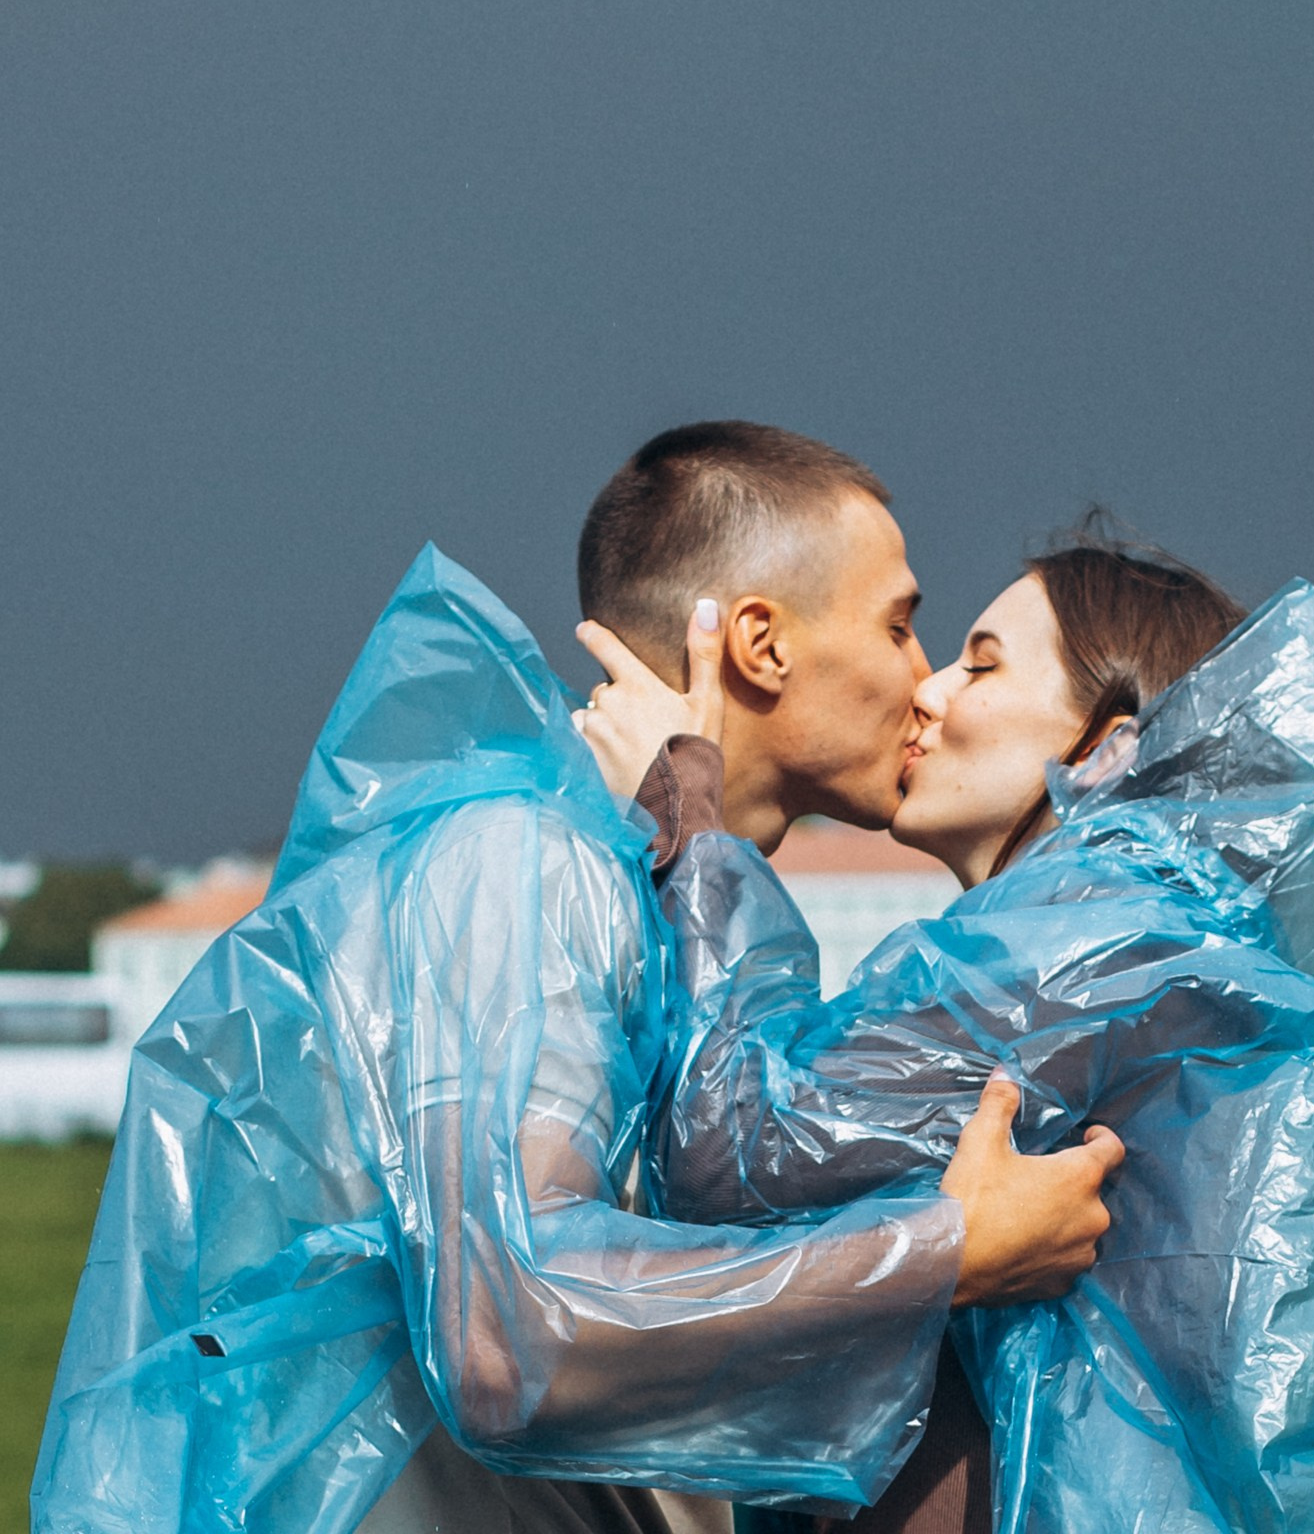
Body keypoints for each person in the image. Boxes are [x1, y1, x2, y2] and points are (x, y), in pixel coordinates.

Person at [34, 425, 1122, 1534]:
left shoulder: (634, 892)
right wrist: (944, 1252)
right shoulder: (523, 863)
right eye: (900, 623)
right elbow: (508, 1333)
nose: (924, 677)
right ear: (762, 643)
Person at [579, 523, 1314, 1534]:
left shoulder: (1093, 938)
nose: (927, 692)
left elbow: (738, 1151)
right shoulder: (1138, 939)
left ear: (1109, 751)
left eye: (979, 666)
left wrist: (691, 820)